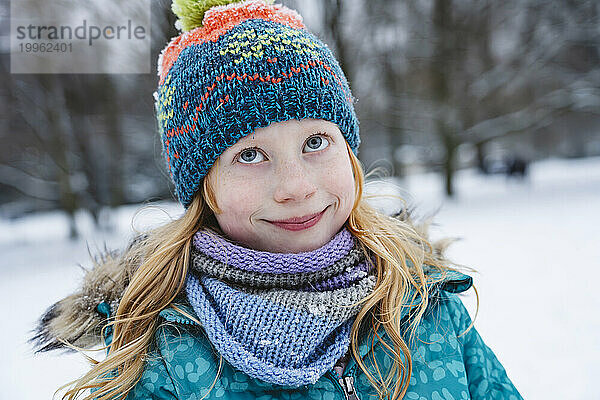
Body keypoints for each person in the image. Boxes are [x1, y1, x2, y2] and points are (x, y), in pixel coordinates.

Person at [32, 1, 523, 399]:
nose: (297, 186)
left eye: (315, 143)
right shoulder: (160, 352)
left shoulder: (423, 302)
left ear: (349, 151)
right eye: (250, 155)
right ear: (204, 188)